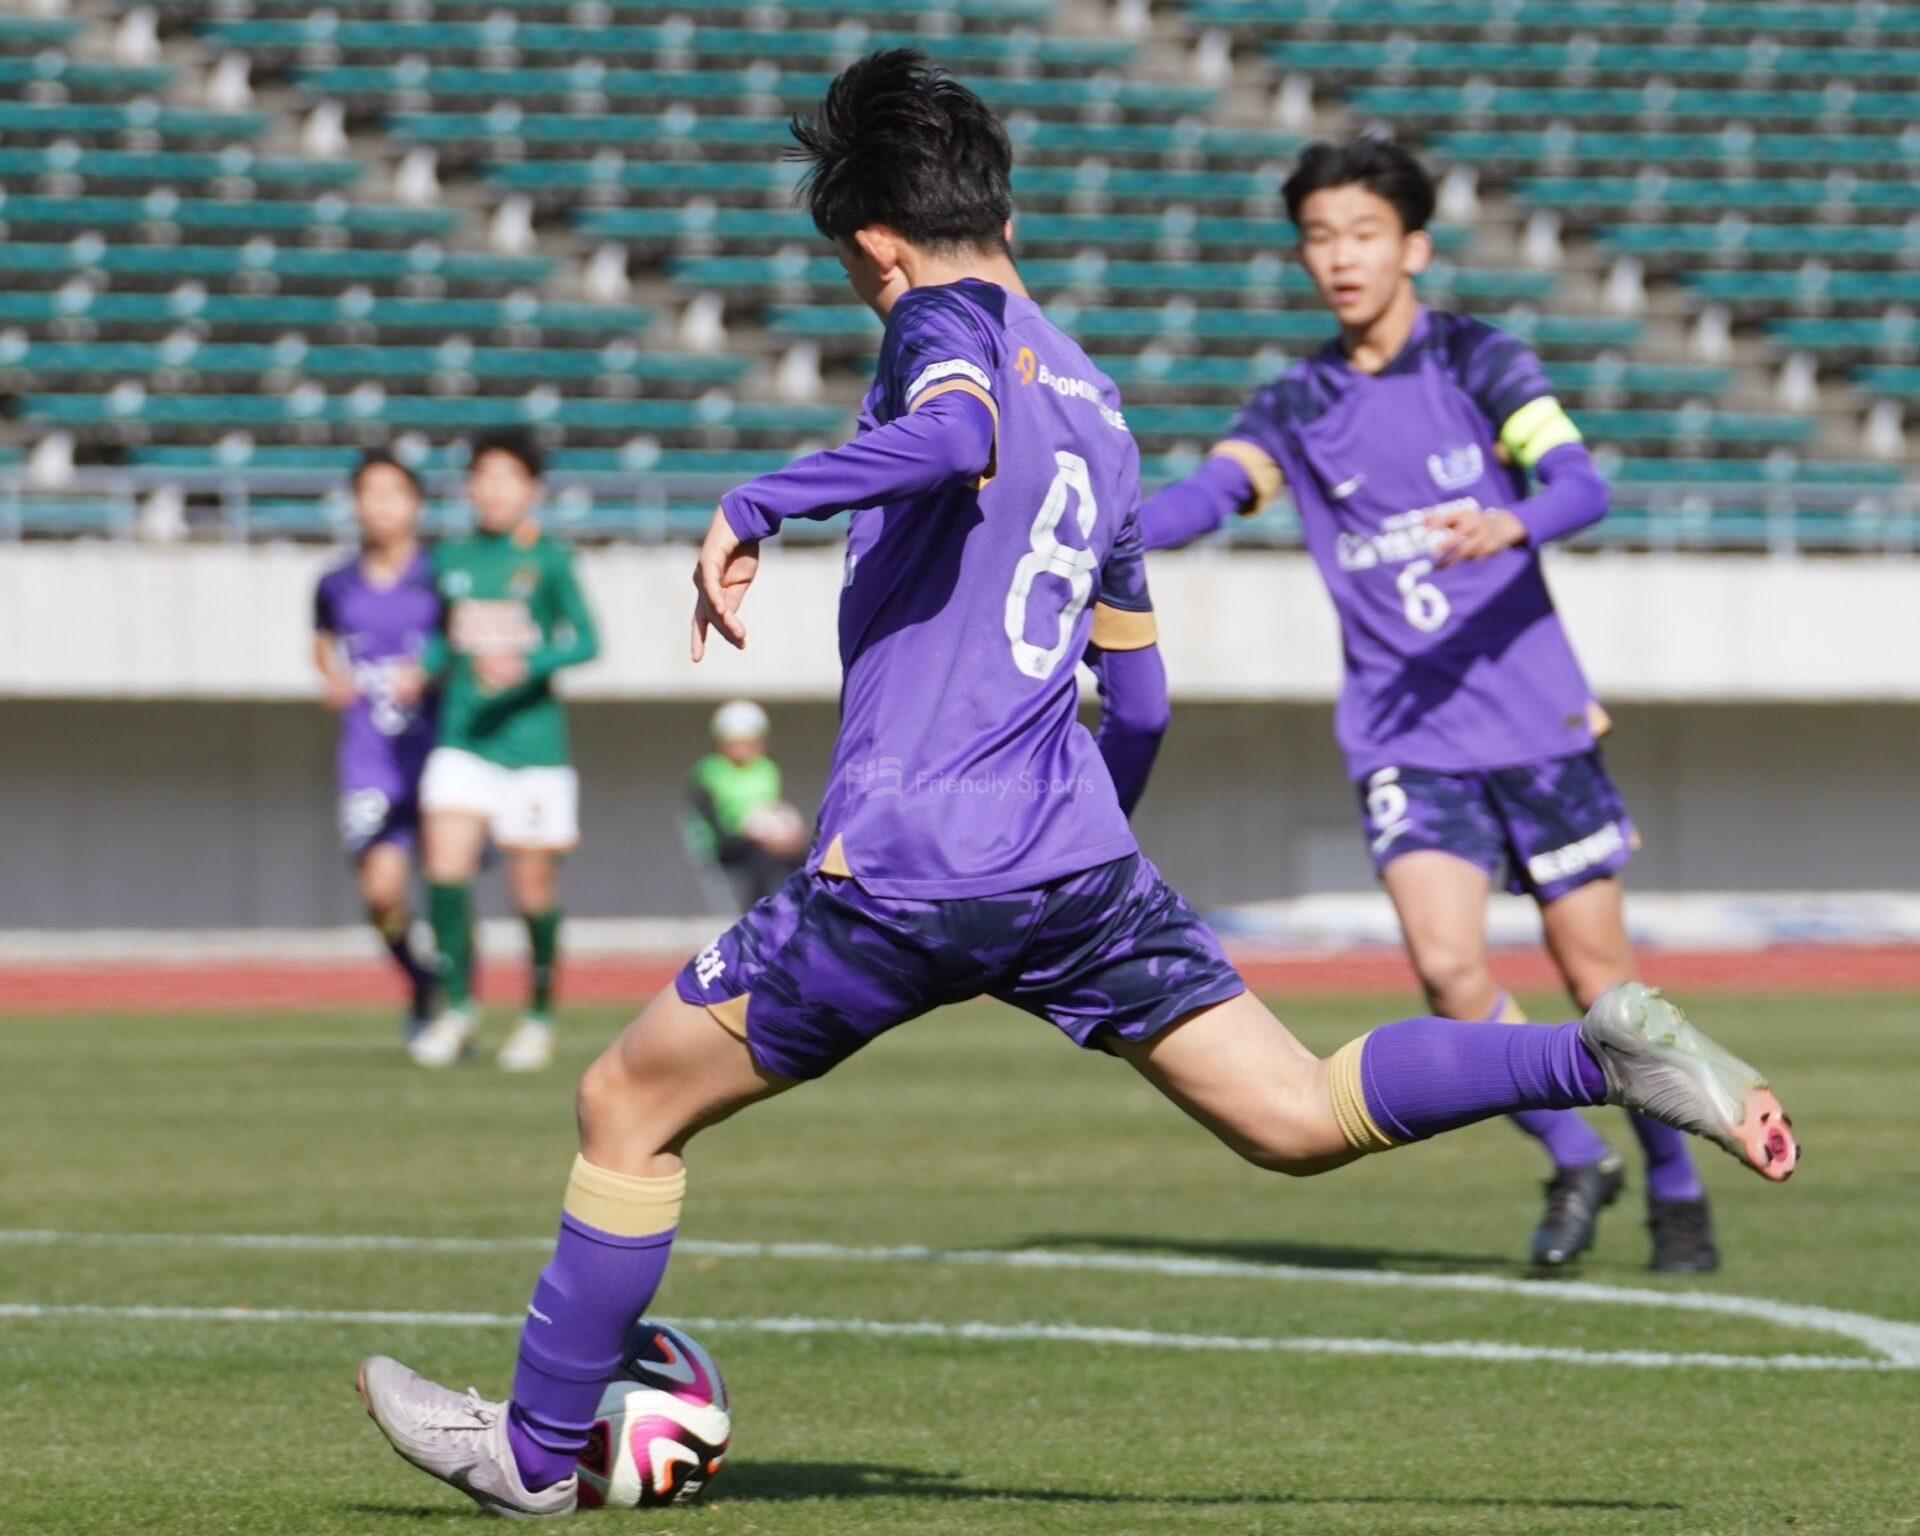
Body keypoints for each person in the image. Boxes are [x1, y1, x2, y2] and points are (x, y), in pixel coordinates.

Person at [355, 54, 1796, 1516]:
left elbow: (957, 428)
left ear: (876, 249)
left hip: (910, 863)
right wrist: (1072, 851)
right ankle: (1594, 1062)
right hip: (1074, 868)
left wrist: (753, 506)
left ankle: (533, 1457)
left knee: (623, 1106)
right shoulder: (1100, 406)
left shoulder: (941, 330)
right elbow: (1145, 695)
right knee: (1295, 1116)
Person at [1136, 136, 1718, 1273]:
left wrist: (1514, 522)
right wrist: (1094, 527)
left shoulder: (1480, 360)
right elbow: (1214, 491)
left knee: (1603, 984)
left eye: (1363, 234)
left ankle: (1678, 1184)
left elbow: (1583, 483)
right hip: (1406, 735)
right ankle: (1571, 1156)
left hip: (1534, 719)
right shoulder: (1295, 400)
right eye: (1319, 237)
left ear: (1414, 247)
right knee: (1450, 972)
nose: (1341, 258)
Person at [401, 429, 601, 1074]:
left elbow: (588, 641)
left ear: (532, 490)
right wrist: (421, 670)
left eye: (508, 477)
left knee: (532, 893)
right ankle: (457, 1010)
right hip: (463, 740)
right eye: (482, 476)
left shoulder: (550, 559)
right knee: (445, 870)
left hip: (535, 749)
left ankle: (538, 1016)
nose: (493, 489)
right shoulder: (452, 557)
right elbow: (442, 640)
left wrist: (530, 663)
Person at [312, 449, 440, 1041]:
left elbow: (463, 646)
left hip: (440, 754)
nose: (379, 505)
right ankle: (423, 982)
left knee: (450, 883)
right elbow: (322, 641)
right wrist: (330, 674)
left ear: (415, 503)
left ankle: (457, 1009)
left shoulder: (442, 577)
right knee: (381, 892)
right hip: (370, 759)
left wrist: (434, 673)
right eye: (368, 493)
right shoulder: (334, 583)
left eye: (392, 492)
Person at [685, 699, 809, 909]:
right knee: (761, 861)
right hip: (729, 842)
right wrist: (750, 833)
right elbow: (711, 822)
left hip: (763, 837)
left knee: (805, 856)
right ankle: (757, 917)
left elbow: (772, 806)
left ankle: (801, 913)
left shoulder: (766, 770)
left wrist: (787, 834)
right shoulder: (709, 772)